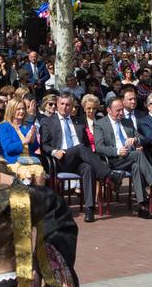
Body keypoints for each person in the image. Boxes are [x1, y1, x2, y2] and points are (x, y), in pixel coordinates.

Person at [39, 94, 107, 222]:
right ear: (58, 104)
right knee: (80, 148)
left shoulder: (79, 121)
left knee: (88, 168)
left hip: (77, 161)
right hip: (60, 159)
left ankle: (90, 209)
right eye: (62, 104)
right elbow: (44, 145)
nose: (65, 107)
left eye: (68, 105)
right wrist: (54, 152)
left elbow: (87, 143)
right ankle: (106, 173)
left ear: (72, 107)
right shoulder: (47, 121)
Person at [93, 97, 152, 220]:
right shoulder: (100, 124)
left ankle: (142, 206)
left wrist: (136, 140)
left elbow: (140, 137)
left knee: (136, 166)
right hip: (113, 160)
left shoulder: (127, 122)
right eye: (117, 110)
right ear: (108, 110)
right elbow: (99, 147)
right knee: (138, 155)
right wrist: (117, 151)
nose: (121, 113)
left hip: (130, 158)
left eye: (122, 110)